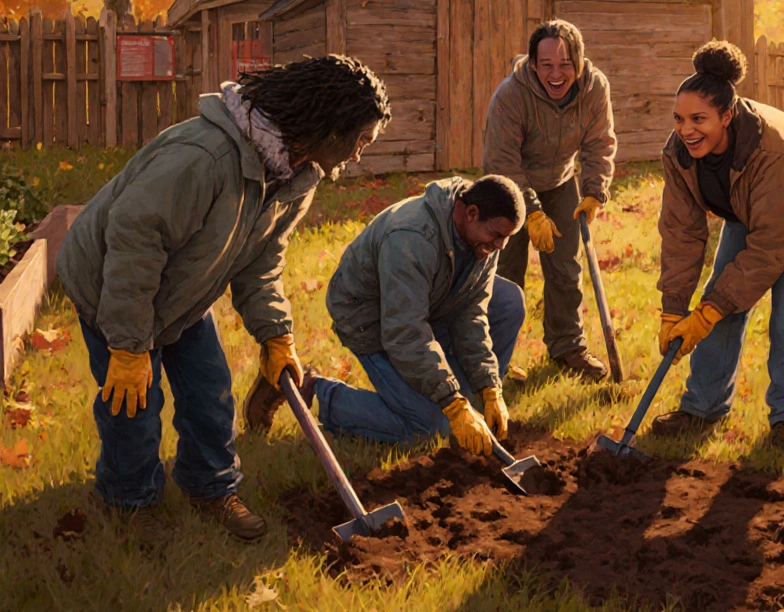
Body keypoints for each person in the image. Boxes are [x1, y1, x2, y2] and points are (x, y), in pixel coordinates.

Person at [58, 55, 390, 542]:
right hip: (112, 286)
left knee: (210, 392)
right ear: (330, 126)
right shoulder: (205, 156)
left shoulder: (297, 175)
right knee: (132, 401)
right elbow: (134, 242)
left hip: (184, 290)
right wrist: (128, 344)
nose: (359, 155)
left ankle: (210, 487)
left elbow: (262, 260)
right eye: (360, 140)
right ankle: (130, 502)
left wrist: (277, 336)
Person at [650, 41, 784, 448]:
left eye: (699, 119)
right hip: (749, 209)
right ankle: (701, 408)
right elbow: (681, 231)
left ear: (727, 115)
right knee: (719, 301)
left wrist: (708, 311)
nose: (687, 130)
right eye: (679, 119)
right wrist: (674, 308)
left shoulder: (772, 151)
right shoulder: (680, 154)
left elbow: (771, 248)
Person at [248, 176, 526, 453]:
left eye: (506, 237)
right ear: (471, 213)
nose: (501, 245)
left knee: (509, 302)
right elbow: (405, 333)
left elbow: (472, 311)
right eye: (497, 235)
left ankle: (472, 403)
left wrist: (489, 386)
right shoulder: (412, 238)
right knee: (434, 426)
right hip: (372, 320)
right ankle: (314, 390)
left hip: (427, 303)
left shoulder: (480, 234)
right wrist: (452, 404)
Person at [482, 19, 617, 382]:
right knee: (504, 275)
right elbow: (502, 162)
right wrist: (531, 213)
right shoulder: (511, 95)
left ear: (579, 61)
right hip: (507, 187)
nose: (556, 74)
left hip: (559, 182)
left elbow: (599, 143)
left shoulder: (594, 88)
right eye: (547, 65)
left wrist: (593, 191)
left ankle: (567, 346)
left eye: (565, 65)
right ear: (533, 63)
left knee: (565, 269)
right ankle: (493, 357)